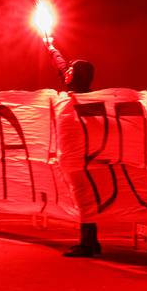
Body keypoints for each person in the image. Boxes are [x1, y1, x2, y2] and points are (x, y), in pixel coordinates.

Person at [51, 45, 103, 258]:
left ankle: (89, 243)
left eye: (72, 71)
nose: (67, 74)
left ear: (79, 77)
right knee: (83, 201)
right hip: (74, 158)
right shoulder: (74, 95)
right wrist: (51, 46)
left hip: (85, 159)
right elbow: (63, 69)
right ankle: (89, 241)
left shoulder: (89, 101)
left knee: (86, 201)